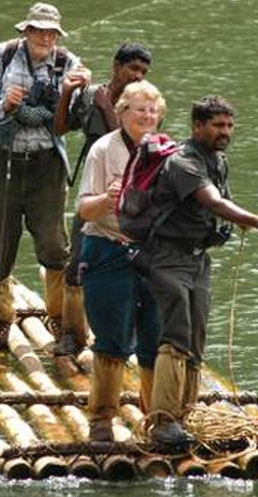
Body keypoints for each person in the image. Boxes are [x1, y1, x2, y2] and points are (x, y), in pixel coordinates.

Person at [143, 95, 258, 444]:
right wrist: (252, 220)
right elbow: (213, 202)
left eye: (230, 125)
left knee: (196, 336)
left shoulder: (217, 160)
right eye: (218, 125)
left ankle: (184, 413)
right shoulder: (182, 163)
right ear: (197, 126)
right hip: (166, 257)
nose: (226, 132)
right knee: (176, 335)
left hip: (197, 258)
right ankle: (162, 421)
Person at [0, 2, 91, 351]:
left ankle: (63, 321)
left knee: (55, 245)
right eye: (38, 30)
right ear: (25, 31)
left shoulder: (68, 64)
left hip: (47, 165)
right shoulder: (2, 56)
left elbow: (78, 121)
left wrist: (81, 89)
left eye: (51, 32)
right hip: (2, 161)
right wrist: (5, 106)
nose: (44, 37)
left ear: (58, 35)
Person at [50, 42, 153, 357]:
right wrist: (68, 92)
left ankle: (127, 337)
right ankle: (71, 334)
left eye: (143, 72)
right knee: (76, 265)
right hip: (95, 191)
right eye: (132, 68)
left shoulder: (144, 103)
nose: (137, 76)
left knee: (132, 266)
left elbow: (128, 139)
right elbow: (60, 127)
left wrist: (107, 107)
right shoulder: (91, 94)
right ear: (116, 65)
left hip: (132, 195)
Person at [76, 81, 165, 441]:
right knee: (112, 339)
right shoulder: (102, 150)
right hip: (107, 248)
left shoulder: (167, 152)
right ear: (122, 112)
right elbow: (84, 210)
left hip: (154, 253)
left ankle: (158, 417)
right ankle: (101, 419)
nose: (146, 116)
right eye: (139, 109)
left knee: (156, 338)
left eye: (152, 110)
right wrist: (106, 198)